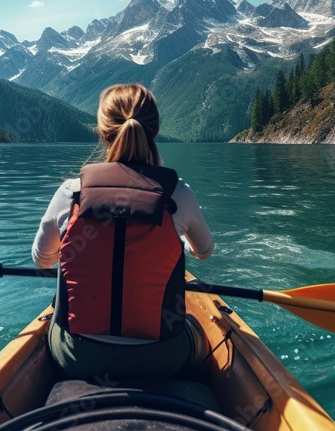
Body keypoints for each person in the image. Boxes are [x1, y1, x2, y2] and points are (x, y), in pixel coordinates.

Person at [32, 83, 214, 379]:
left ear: (103, 133)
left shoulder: (71, 192)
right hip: (161, 360)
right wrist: (182, 244)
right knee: (200, 324)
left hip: (78, 358)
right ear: (154, 131)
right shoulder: (178, 194)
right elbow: (205, 253)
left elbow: (42, 260)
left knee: (56, 308)